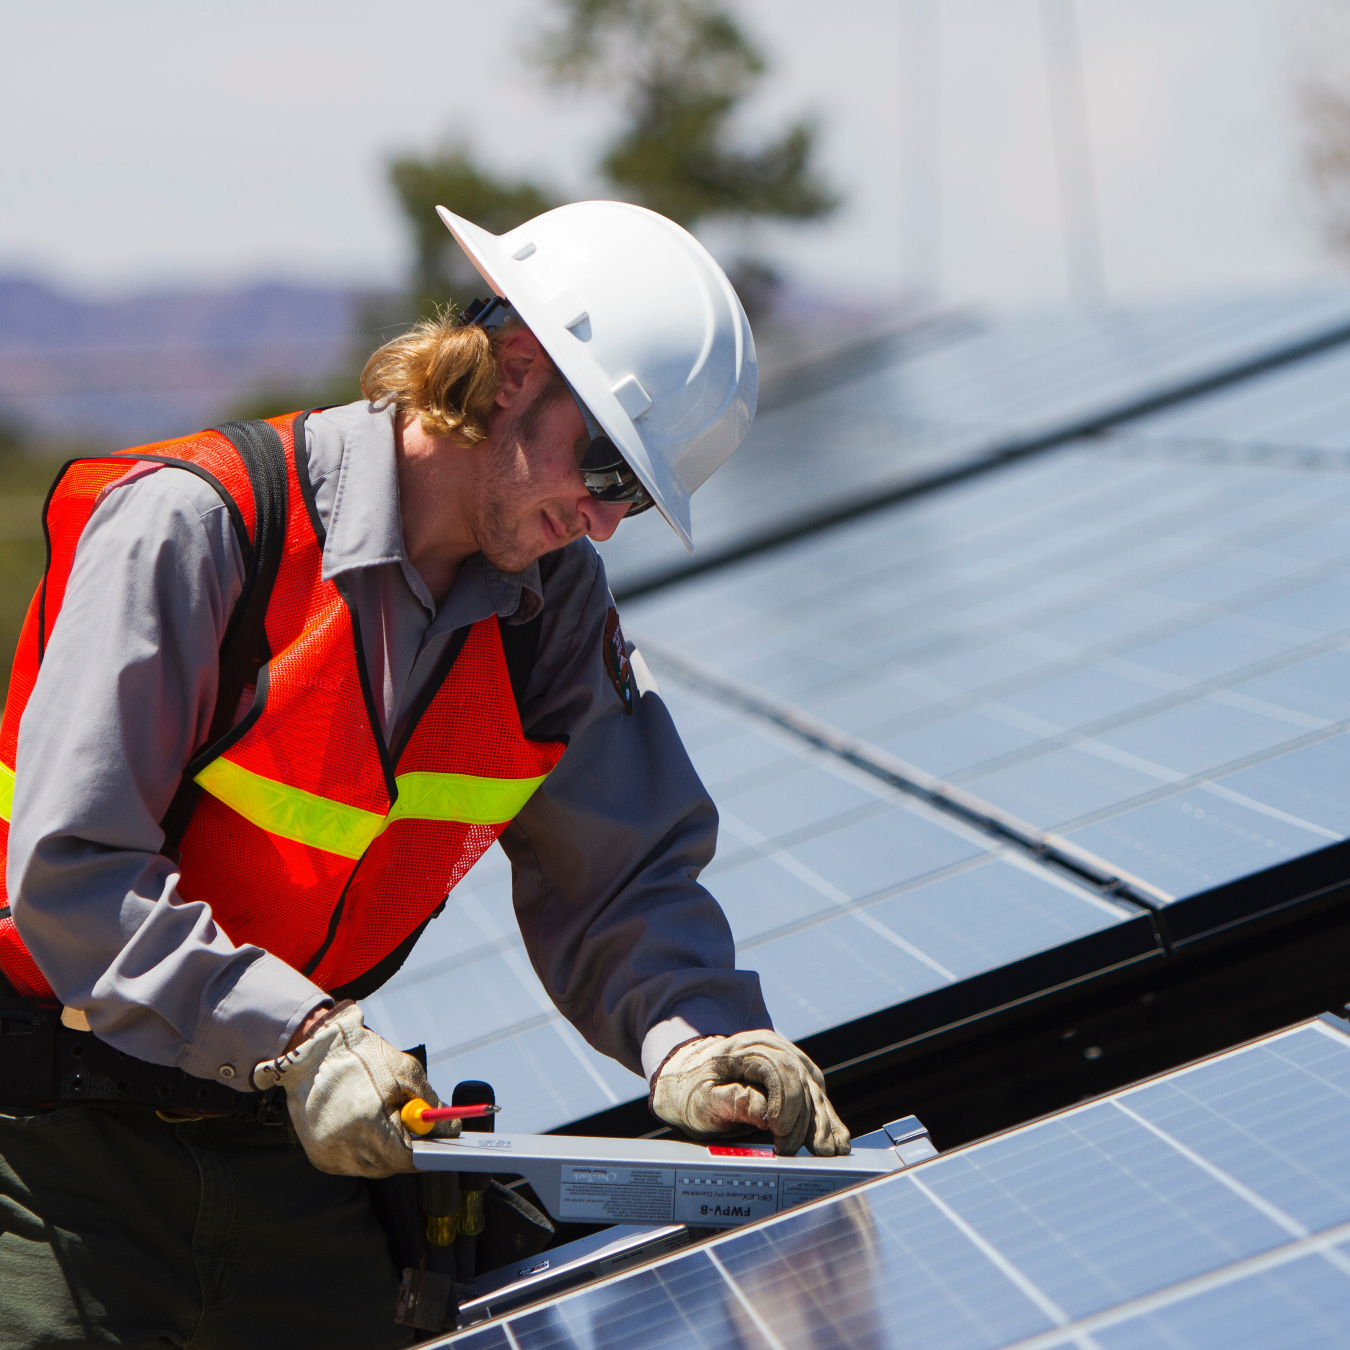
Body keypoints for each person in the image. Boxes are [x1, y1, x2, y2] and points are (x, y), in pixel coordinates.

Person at [0, 201, 848, 1349]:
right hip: (54, 1156)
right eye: (603, 463)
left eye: (634, 498)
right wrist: (295, 1037)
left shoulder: (547, 608)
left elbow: (617, 876)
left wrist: (699, 1036)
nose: (599, 523)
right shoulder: (199, 529)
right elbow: (71, 877)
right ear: (507, 371)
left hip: (287, 1141)